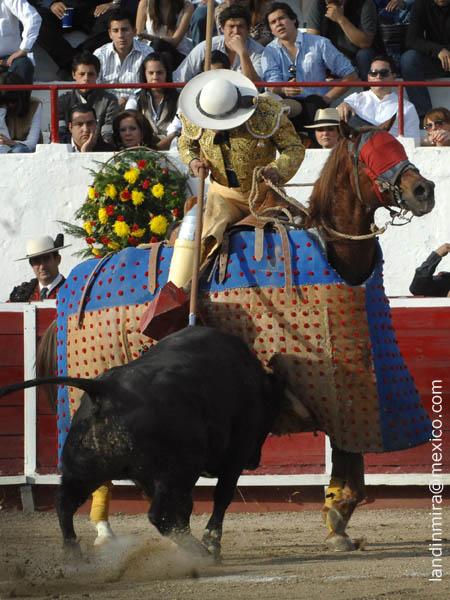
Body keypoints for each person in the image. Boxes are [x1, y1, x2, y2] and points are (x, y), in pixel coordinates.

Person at [177, 69, 305, 268]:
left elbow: (294, 148)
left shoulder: (266, 111)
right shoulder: (195, 112)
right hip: (222, 195)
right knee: (199, 232)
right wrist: (193, 161)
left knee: (298, 231)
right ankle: (182, 284)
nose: (212, 127)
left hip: (265, 194)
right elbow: (186, 144)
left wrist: (278, 169)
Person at [262, 2, 358, 135]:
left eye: (282, 18)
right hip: (288, 106)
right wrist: (284, 89)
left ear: (293, 19)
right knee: (275, 111)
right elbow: (270, 86)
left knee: (314, 104)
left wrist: (327, 98)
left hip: (317, 105)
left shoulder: (319, 43)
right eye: (273, 22)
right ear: (271, 29)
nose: (278, 24)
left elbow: (351, 75)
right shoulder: (269, 51)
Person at [173, 5, 264, 82]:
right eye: (231, 26)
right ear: (222, 29)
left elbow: (255, 87)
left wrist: (243, 53)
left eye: (240, 26)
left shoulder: (258, 51)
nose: (236, 31)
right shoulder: (207, 47)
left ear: (248, 30)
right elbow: (179, 79)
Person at [337, 54, 420, 138]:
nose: (378, 76)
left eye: (384, 73)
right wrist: (343, 105)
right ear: (369, 77)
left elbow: (412, 140)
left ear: (393, 77)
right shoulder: (353, 100)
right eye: (373, 73)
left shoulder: (407, 107)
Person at [30, 0, 118, 80]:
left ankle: (79, 59)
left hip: (96, 9)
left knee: (114, 22)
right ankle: (71, 62)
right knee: (36, 21)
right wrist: (51, 4)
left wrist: (113, 3)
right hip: (62, 9)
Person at [306, 0, 380, 81]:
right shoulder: (319, 4)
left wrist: (340, 19)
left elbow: (366, 43)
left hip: (358, 57)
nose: (326, 2)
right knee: (312, 54)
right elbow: (312, 41)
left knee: (365, 54)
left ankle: (368, 90)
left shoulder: (365, 4)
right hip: (332, 56)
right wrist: (337, 56)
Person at [400, 0, 450, 120]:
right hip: (435, 59)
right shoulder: (422, 4)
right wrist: (438, 50)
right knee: (408, 59)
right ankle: (425, 117)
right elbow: (411, 39)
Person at [94, 9, 154, 105]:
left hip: (137, 106)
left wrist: (128, 100)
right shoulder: (99, 54)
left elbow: (151, 86)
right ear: (110, 34)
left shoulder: (147, 53)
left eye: (125, 30)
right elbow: (95, 88)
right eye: (115, 31)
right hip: (106, 108)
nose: (120, 35)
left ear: (134, 31)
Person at [58, 50, 119, 145]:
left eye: (90, 74)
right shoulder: (62, 101)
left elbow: (108, 135)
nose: (86, 78)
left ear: (97, 75)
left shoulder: (109, 100)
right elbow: (59, 135)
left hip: (100, 150)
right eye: (82, 74)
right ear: (74, 75)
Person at [125, 52, 179, 149]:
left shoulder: (179, 98)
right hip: (141, 150)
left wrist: (154, 151)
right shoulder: (135, 97)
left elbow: (177, 131)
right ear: (144, 75)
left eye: (159, 73)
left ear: (167, 74)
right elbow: (127, 123)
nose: (155, 77)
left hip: (171, 149)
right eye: (151, 73)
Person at [135, 0, 194, 71]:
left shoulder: (187, 6)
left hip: (178, 54)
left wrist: (152, 38)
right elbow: (139, 37)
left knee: (158, 44)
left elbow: (175, 41)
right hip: (152, 54)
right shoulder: (144, 4)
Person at [9, 234, 69, 302]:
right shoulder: (22, 294)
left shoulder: (72, 291)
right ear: (31, 265)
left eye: (46, 259)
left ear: (58, 259)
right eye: (36, 261)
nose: (42, 266)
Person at [0, 0, 41, 84]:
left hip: (9, 59)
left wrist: (24, 49)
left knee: (23, 65)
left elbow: (33, 17)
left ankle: (22, 97)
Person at [0, 72, 42, 154]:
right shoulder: (2, 105)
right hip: (4, 149)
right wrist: (2, 109)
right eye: (5, 101)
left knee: (18, 150)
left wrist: (12, 143)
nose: (9, 105)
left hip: (24, 149)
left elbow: (32, 143)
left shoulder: (34, 105)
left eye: (12, 101)